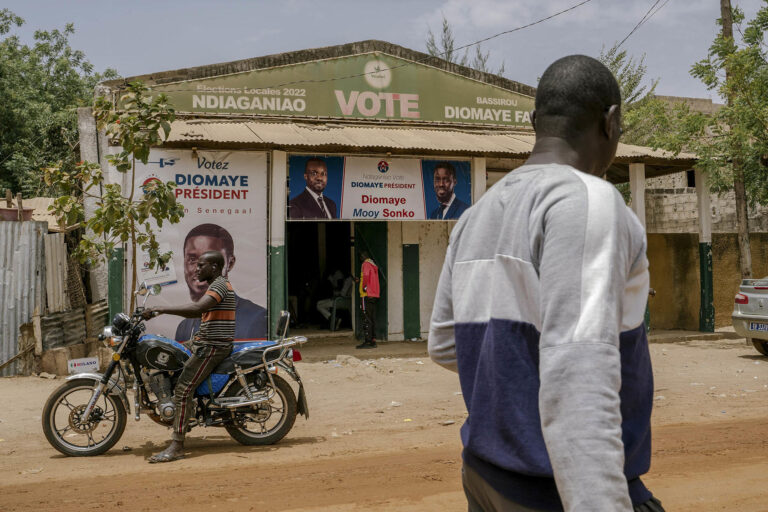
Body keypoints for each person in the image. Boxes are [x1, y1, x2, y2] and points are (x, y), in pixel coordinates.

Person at [428, 55, 664, 512]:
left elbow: (443, 344)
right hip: (551, 488)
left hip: (483, 474)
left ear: (534, 121)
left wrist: (512, 375)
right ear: (612, 121)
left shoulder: (475, 215)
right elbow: (580, 373)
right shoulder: (589, 201)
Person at [142, 250, 235, 463]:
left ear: (214, 267)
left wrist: (161, 309)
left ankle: (177, 444)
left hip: (213, 346)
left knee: (184, 389)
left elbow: (197, 309)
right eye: (196, 265)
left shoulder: (220, 285)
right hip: (204, 341)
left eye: (201, 265)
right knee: (169, 354)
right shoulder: (216, 285)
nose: (196, 269)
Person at [174, 224, 267, 341]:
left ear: (230, 263)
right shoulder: (185, 327)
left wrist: (161, 309)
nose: (197, 269)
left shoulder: (256, 318)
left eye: (210, 262)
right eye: (192, 259)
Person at [355, 251, 379, 349]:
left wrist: (364, 286)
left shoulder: (365, 264)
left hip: (366, 294)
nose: (360, 260)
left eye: (360, 258)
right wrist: (360, 281)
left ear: (362, 257)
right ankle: (373, 340)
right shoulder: (372, 264)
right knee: (371, 317)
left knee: (366, 318)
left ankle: (368, 341)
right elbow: (369, 278)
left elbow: (365, 276)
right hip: (373, 294)